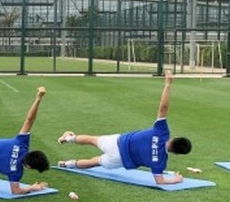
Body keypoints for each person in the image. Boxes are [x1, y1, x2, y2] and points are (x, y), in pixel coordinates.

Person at [56, 69, 192, 185]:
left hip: (118, 142)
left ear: (175, 137)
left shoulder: (162, 132)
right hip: (119, 159)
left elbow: (163, 107)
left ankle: (69, 138)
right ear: (178, 154)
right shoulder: (161, 162)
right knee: (94, 162)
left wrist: (168, 84)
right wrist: (176, 180)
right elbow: (160, 181)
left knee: (92, 139)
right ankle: (67, 164)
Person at [0, 85, 51, 195]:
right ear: (29, 167)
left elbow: (29, 120)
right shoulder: (16, 171)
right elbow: (16, 191)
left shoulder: (22, 143)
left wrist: (38, 98)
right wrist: (33, 188)